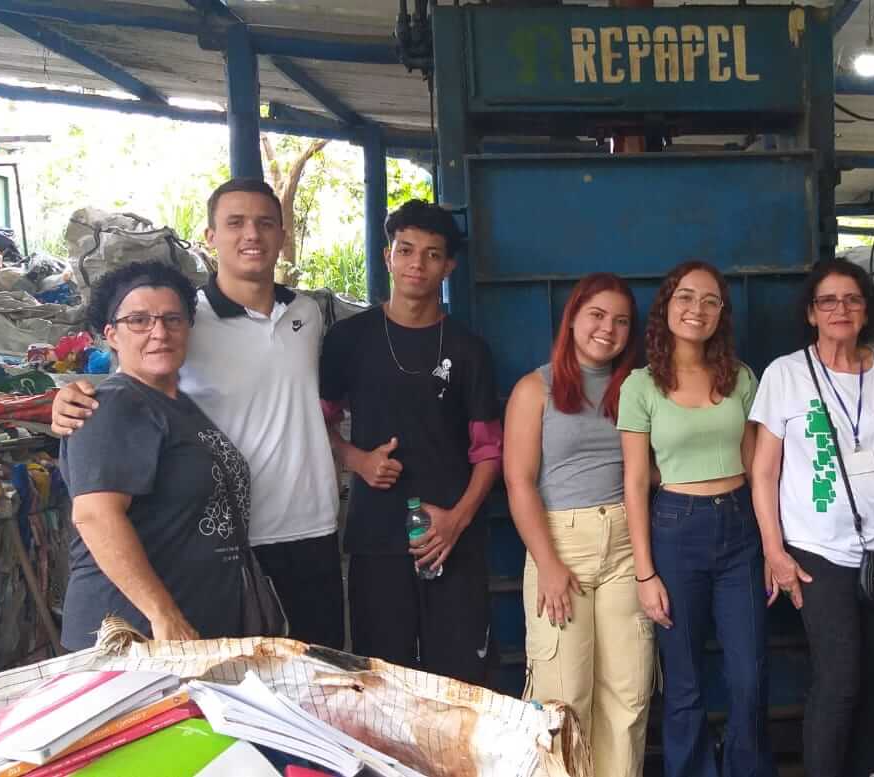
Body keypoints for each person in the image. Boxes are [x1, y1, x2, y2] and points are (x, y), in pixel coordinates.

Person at [51, 178, 345, 649]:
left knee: (311, 668)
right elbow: (128, 381)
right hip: (229, 537)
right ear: (210, 237)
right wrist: (70, 400)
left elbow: (307, 404)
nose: (159, 331)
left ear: (282, 234)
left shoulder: (305, 314)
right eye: (234, 223)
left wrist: (352, 454)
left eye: (265, 223)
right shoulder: (190, 315)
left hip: (309, 523)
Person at [749, 259, 874, 777]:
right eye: (828, 301)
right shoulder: (786, 374)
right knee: (840, 675)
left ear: (866, 307)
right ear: (811, 313)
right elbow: (764, 472)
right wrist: (773, 550)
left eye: (851, 299)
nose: (840, 309)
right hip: (815, 549)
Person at [320, 200, 502, 683]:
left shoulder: (468, 349)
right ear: (387, 257)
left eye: (432, 254)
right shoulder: (348, 339)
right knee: (381, 681)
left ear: (449, 266)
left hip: (452, 542)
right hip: (376, 537)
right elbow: (319, 422)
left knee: (460, 682)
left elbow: (489, 450)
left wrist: (456, 522)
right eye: (406, 251)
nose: (417, 264)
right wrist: (356, 459)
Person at [618, 261, 770, 777]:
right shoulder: (641, 386)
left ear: (721, 314)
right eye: (686, 297)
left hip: (739, 527)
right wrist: (645, 573)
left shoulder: (741, 376)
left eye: (710, 301)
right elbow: (636, 483)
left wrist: (775, 545)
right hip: (675, 530)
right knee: (684, 682)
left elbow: (757, 467)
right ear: (666, 306)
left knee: (749, 676)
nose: (696, 310)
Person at [502, 273, 653, 777]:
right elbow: (519, 482)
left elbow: (648, 468)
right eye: (597, 315)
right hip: (560, 544)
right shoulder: (534, 388)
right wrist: (547, 563)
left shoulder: (636, 388)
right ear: (573, 318)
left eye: (621, 321)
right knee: (562, 700)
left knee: (628, 694)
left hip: (628, 544)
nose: (607, 329)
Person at [59, 261, 247, 649]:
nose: (159, 332)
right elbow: (95, 515)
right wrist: (163, 615)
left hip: (187, 629)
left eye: (172, 319)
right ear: (111, 334)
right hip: (135, 636)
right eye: (139, 320)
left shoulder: (180, 406)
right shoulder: (112, 404)